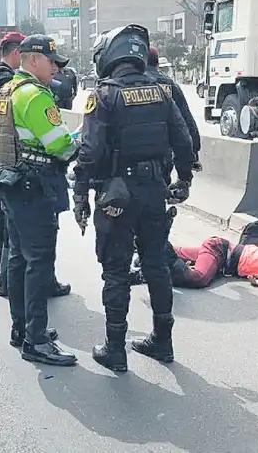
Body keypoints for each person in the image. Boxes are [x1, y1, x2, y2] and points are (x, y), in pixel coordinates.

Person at [72, 24, 193, 373]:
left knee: (116, 269)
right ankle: (162, 341)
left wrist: (80, 194)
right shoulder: (161, 92)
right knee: (155, 264)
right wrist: (184, 179)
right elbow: (183, 140)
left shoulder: (103, 95)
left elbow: (90, 151)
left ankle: (115, 349)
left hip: (117, 196)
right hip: (155, 191)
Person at [0, 34, 78, 366]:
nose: (55, 68)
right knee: (39, 262)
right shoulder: (35, 95)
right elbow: (59, 145)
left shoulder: (7, 90)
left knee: (18, 259)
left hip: (13, 183)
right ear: (32, 60)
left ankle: (22, 328)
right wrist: (79, 142)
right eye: (51, 61)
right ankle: (37, 340)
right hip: (35, 185)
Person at [0, 32, 25, 296]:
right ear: (17, 52)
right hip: (6, 148)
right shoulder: (5, 78)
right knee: (8, 211)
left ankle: (4, 265)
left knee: (4, 208)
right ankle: (6, 269)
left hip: (0, 145)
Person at [146, 46, 201, 169]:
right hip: (164, 156)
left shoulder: (129, 84)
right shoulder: (170, 85)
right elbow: (186, 120)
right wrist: (193, 153)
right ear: (157, 64)